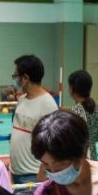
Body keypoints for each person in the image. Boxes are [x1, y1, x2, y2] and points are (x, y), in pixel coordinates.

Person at [9, 55, 59, 184]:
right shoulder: (21, 100)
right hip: (15, 171)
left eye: (15, 76)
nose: (14, 79)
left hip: (33, 175)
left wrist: (42, 173)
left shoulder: (48, 104)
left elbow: (53, 145)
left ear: (25, 78)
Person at [68, 70, 98, 160]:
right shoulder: (96, 109)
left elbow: (72, 140)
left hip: (82, 160)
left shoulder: (76, 111)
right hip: (93, 157)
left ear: (71, 89)